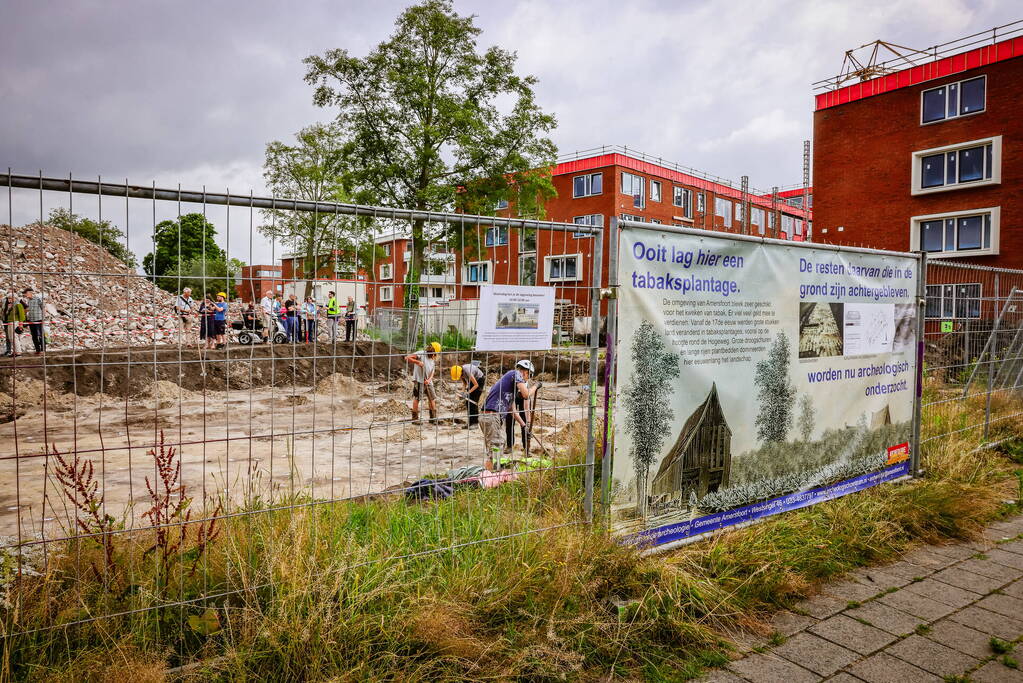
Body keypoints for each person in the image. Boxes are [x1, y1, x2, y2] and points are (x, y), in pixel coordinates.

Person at [479, 360, 534, 470]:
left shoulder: (509, 391)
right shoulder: (516, 373)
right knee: (496, 448)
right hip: (492, 415)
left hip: (491, 417)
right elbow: (526, 394)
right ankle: (491, 476)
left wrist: (524, 426)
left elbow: (513, 411)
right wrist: (536, 386)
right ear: (526, 372)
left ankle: (493, 473)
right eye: (529, 376)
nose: (527, 379)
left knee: (496, 448)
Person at [404, 341, 440, 423]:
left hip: (428, 382)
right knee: (417, 398)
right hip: (419, 381)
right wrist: (418, 362)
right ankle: (415, 419)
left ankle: (433, 418)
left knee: (432, 399)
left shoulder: (432, 359)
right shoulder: (421, 353)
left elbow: (432, 372)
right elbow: (407, 358)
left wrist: (429, 380)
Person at [450, 361, 485, 428]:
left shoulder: (467, 371)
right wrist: (462, 393)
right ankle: (470, 422)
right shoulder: (460, 372)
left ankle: (475, 423)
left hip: (479, 380)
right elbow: (465, 384)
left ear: (461, 372)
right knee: (468, 402)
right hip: (473, 381)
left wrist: (467, 393)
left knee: (473, 402)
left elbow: (476, 385)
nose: (461, 377)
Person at [22, 288, 45, 354]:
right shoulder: (28, 300)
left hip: (38, 319)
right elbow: (29, 309)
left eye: (26, 293)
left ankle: (43, 349)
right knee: (34, 336)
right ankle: (37, 350)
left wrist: (43, 317)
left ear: (30, 292)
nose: (25, 295)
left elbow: (43, 307)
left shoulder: (38, 298)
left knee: (40, 335)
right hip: (31, 320)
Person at [3, 292, 25, 357]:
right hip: (10, 322)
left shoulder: (18, 304)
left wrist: (21, 324)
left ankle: (18, 351)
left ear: (14, 298)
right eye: (8, 298)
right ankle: (14, 351)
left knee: (14, 337)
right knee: (10, 338)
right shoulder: (11, 305)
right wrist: (8, 309)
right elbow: (6, 314)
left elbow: (22, 315)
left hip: (15, 322)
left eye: (10, 298)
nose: (9, 300)